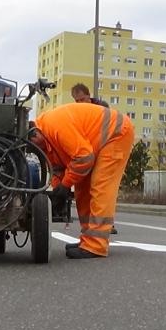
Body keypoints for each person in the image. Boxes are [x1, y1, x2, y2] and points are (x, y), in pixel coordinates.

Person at [30, 103, 134, 259]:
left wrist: (65, 186)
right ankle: (88, 239)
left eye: (34, 146)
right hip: (95, 144)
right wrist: (58, 191)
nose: (37, 151)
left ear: (35, 133)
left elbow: (84, 158)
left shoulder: (56, 126)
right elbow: (58, 169)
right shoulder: (44, 141)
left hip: (116, 133)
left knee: (101, 187)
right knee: (81, 188)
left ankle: (96, 245)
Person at [69, 82, 119, 235]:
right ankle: (88, 226)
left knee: (102, 189)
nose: (80, 104)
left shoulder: (101, 108)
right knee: (85, 190)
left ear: (89, 97)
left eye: (82, 99)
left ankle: (106, 224)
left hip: (103, 151)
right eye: (76, 101)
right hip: (87, 153)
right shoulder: (76, 112)